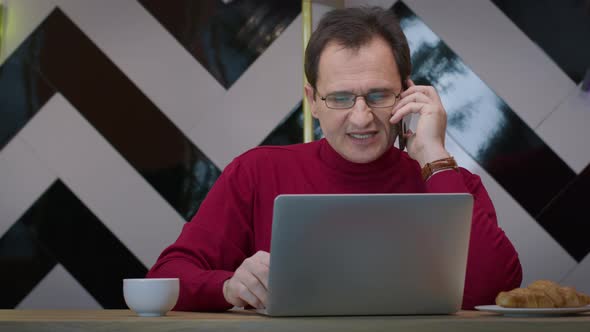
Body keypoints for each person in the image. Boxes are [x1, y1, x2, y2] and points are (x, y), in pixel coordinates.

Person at [147, 7, 522, 311]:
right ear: (312, 100)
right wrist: (228, 286)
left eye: (379, 95)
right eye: (340, 98)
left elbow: (494, 289)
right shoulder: (256, 172)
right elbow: (167, 275)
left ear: (408, 93)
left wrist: (434, 157)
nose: (361, 118)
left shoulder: (447, 181)